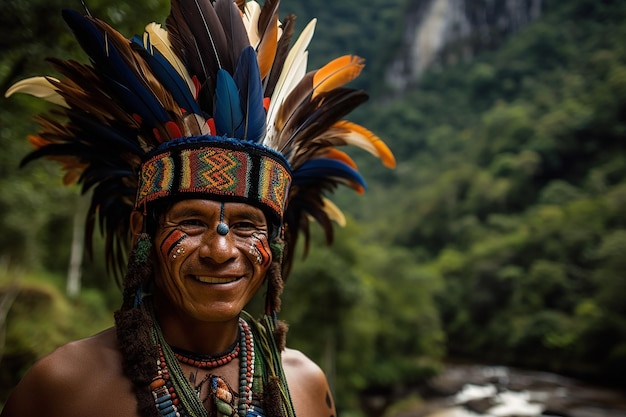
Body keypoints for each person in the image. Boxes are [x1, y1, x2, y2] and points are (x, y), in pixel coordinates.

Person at [1, 1, 395, 416]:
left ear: (276, 242)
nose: (220, 251)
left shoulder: (305, 384)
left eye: (246, 226)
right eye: (190, 221)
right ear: (143, 229)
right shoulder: (64, 386)